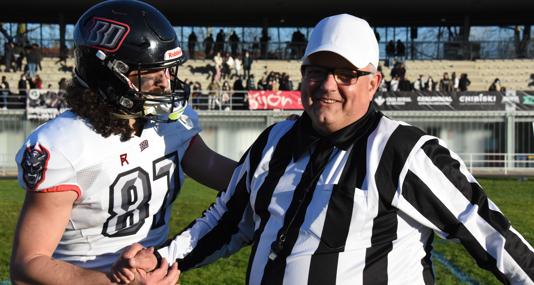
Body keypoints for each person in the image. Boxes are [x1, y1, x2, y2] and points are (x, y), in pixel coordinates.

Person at [117, 13, 534, 285]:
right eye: (318, 71)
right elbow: (229, 218)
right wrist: (161, 259)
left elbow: (492, 238)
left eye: (346, 73)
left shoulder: (405, 152)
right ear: (303, 76)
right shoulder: (275, 142)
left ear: (374, 81)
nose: (328, 85)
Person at [10, 1, 236, 285]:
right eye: (150, 73)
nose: (165, 84)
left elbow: (222, 171)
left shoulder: (170, 122)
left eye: (167, 71)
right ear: (109, 76)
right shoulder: (66, 144)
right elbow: (27, 265)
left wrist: (277, 164)